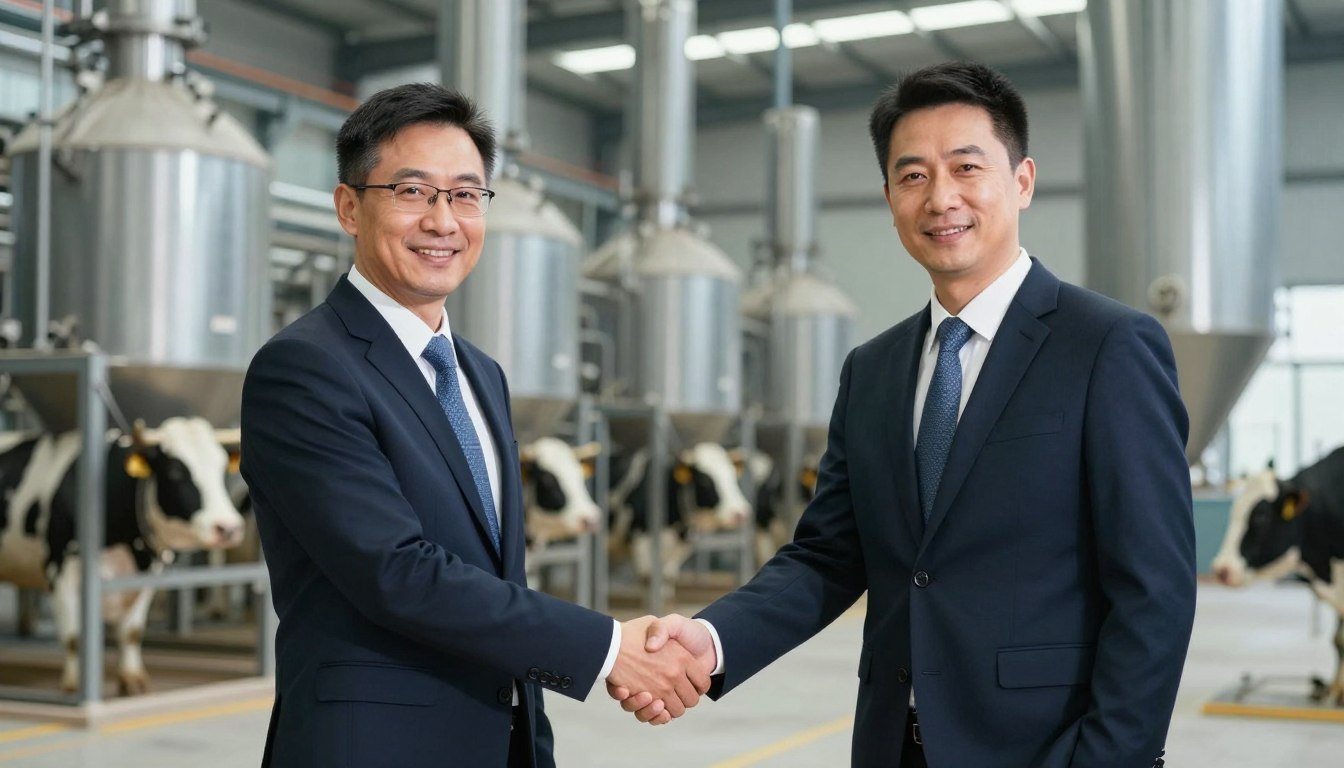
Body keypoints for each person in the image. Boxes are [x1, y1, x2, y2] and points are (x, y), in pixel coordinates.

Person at [619, 62, 1196, 768]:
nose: (941, 198)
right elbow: (829, 556)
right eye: (914, 175)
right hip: (895, 745)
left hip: (1046, 750)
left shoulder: (1107, 346)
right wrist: (710, 643)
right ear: (889, 196)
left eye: (966, 168)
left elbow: (1154, 591)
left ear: (1022, 181)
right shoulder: (875, 369)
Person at [240, 83, 708, 768]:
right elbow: (395, 571)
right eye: (411, 191)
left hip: (502, 740)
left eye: (465, 194)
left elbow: (494, 576)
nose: (443, 220)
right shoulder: (306, 367)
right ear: (348, 206)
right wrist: (608, 649)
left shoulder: (479, 374)